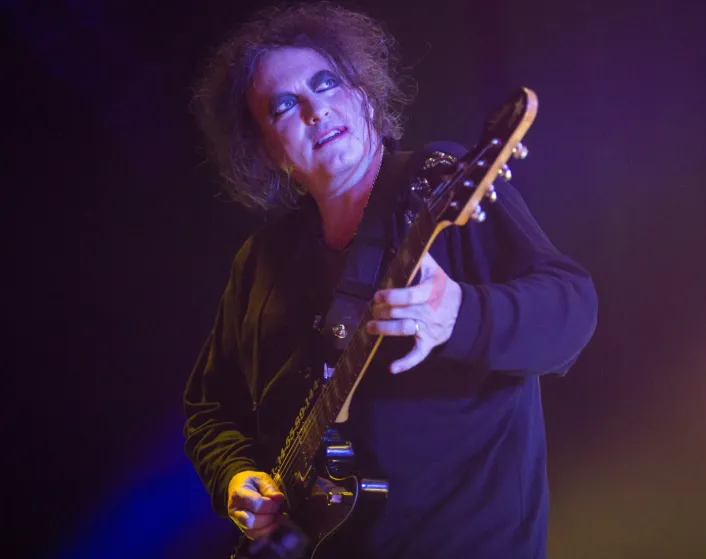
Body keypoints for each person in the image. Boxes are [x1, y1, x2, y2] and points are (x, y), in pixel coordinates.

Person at [181, 2, 597, 558]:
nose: (315, 109)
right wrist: (236, 478)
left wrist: (459, 315)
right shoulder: (260, 262)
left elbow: (572, 306)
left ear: (364, 94)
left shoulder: (437, 184)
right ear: (266, 151)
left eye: (326, 82)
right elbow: (209, 408)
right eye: (284, 106)